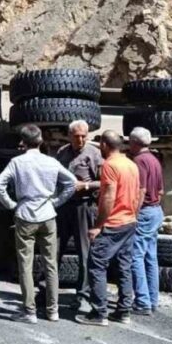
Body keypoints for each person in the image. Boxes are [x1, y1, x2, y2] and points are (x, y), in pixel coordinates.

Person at [0, 124, 77, 324]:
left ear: (22, 142)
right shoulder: (51, 161)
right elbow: (72, 183)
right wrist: (56, 202)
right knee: (51, 264)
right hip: (48, 215)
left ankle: (29, 311)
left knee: (25, 265)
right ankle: (53, 310)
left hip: (25, 215)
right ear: (40, 141)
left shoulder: (17, 162)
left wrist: (11, 204)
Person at [76, 130, 141, 326]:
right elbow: (138, 194)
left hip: (113, 224)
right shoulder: (131, 164)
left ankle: (99, 313)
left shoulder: (110, 165)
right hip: (129, 222)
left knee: (96, 265)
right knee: (124, 266)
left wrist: (98, 226)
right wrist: (133, 216)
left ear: (104, 144)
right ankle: (123, 311)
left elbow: (108, 197)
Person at [54, 119, 103, 312]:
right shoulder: (62, 152)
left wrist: (87, 186)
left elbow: (105, 182)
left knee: (84, 253)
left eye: (84, 136)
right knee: (54, 249)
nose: (80, 140)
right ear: (69, 136)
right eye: (76, 136)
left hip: (84, 206)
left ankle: (82, 295)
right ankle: (48, 291)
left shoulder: (94, 154)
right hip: (64, 206)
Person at [128, 127, 164, 316]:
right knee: (151, 258)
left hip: (145, 212)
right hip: (157, 211)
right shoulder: (155, 160)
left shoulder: (139, 161)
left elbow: (141, 190)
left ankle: (142, 302)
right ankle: (152, 299)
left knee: (136, 256)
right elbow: (160, 191)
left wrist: (134, 213)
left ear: (134, 142)